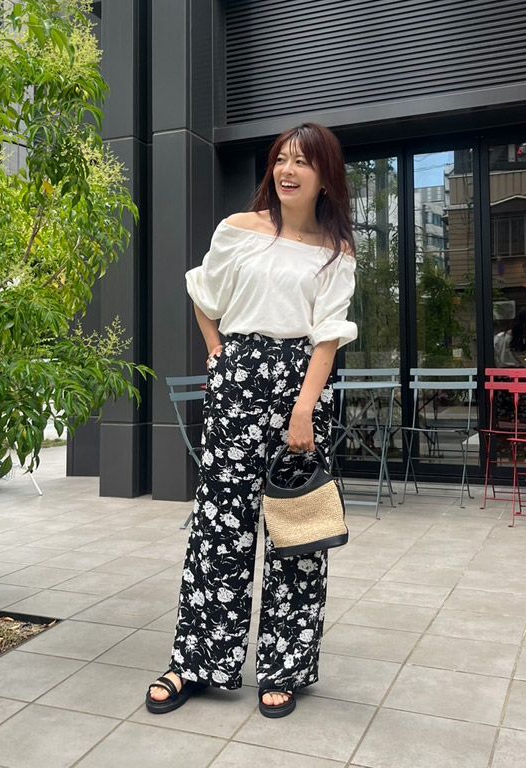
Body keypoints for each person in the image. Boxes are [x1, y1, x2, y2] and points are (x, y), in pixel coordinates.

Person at [145, 122, 358, 718]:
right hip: (237, 381)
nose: (289, 170)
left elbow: (327, 336)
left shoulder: (335, 251)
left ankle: (285, 667)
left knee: (295, 528)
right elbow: (204, 294)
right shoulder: (238, 229)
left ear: (324, 177)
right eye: (282, 159)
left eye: (303, 162)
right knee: (219, 525)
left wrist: (304, 408)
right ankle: (196, 661)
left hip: (300, 385)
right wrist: (218, 352)